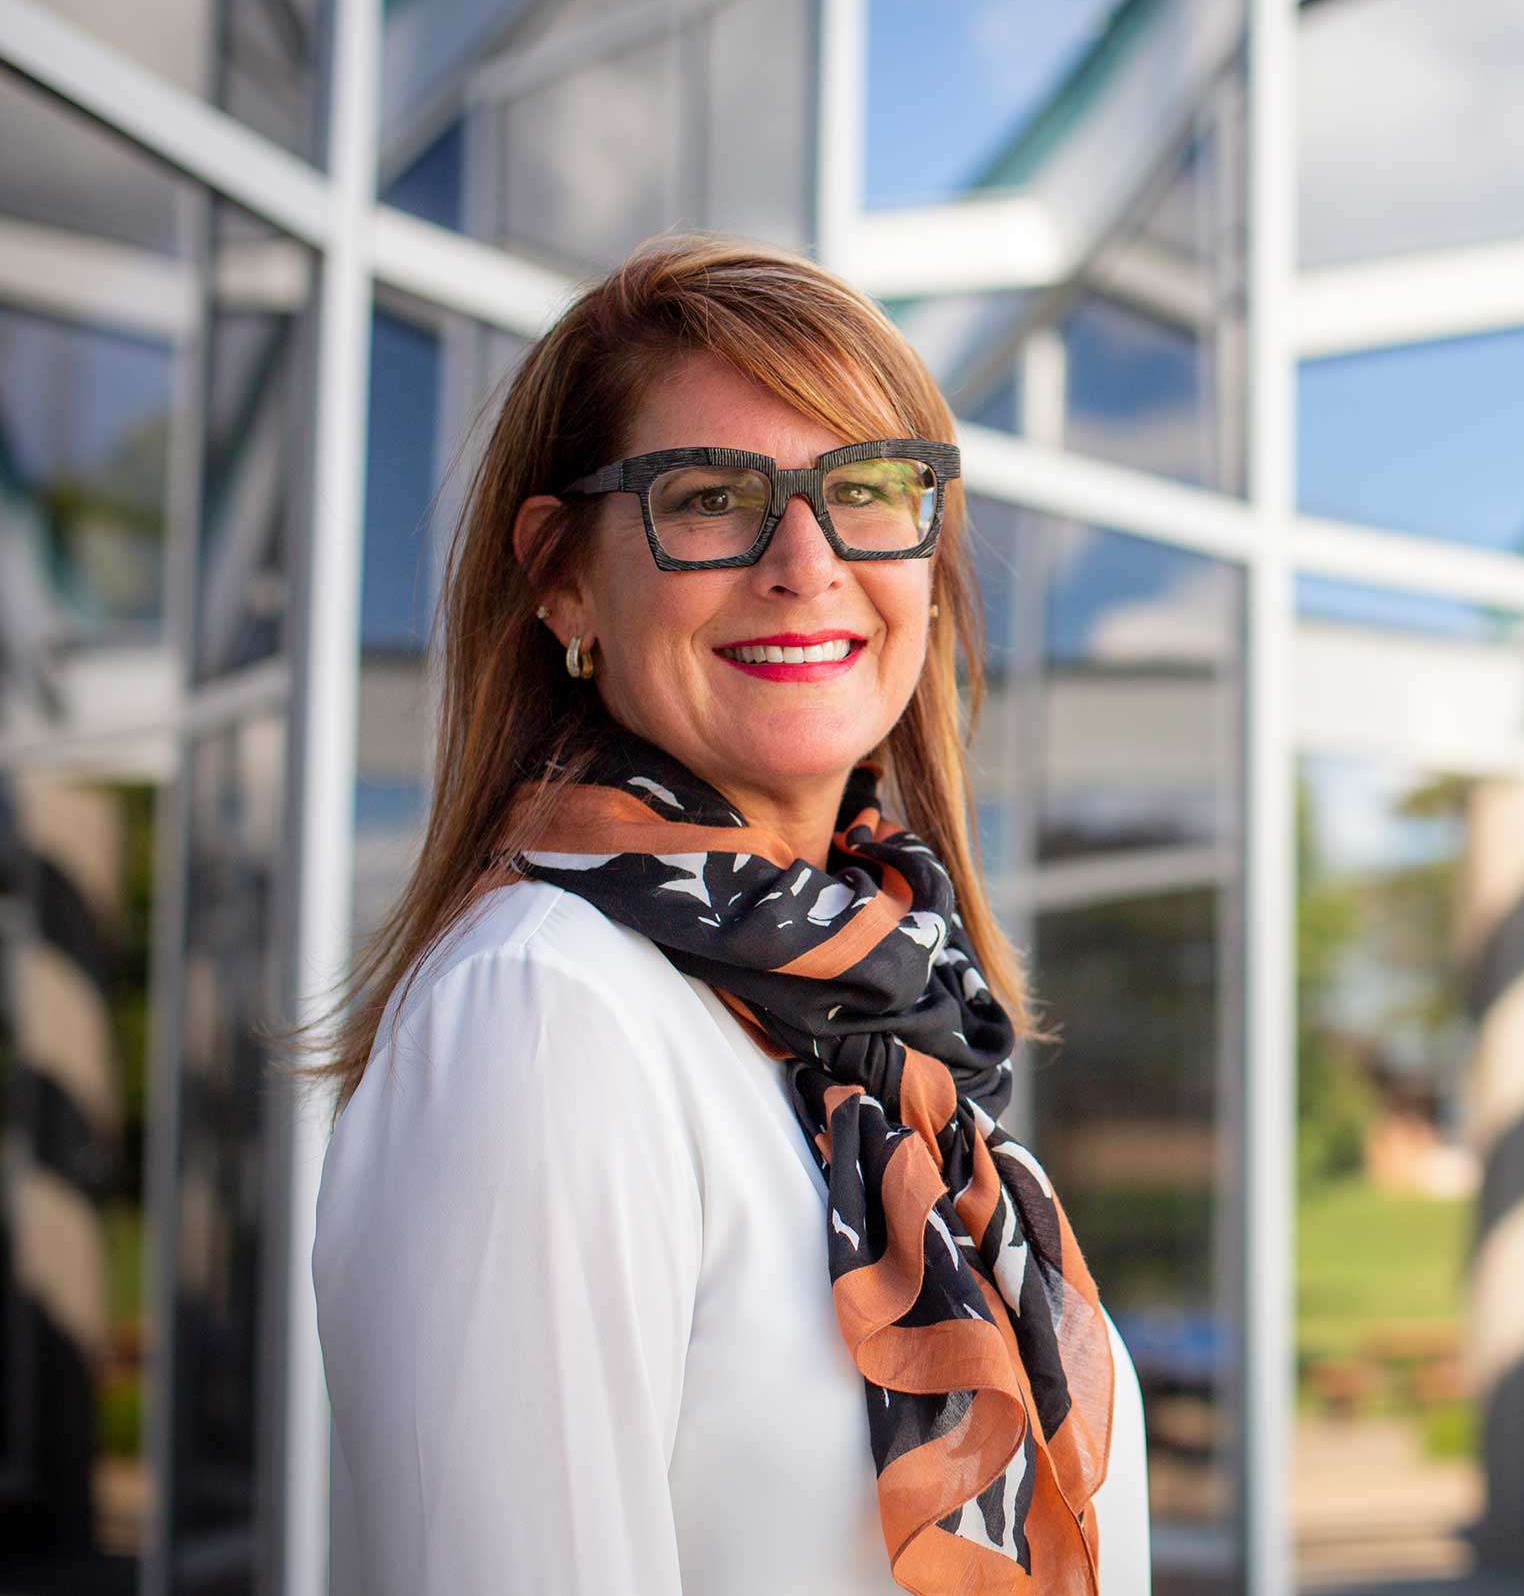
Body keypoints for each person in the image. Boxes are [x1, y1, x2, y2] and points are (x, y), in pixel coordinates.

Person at [295, 232, 1151, 1595]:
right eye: (709, 497)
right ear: (564, 574)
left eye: (866, 490)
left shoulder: (889, 1047)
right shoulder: (545, 1015)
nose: (805, 564)